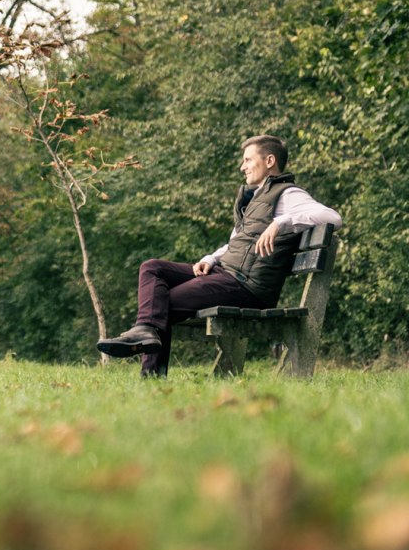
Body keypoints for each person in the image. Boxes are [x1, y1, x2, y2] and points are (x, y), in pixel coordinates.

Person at [97, 134, 342, 377]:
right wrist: (210, 259)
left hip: (247, 285)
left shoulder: (287, 194)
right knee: (153, 268)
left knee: (161, 304)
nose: (242, 166)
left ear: (269, 161)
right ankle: (145, 334)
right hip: (227, 273)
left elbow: (332, 217)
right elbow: (235, 243)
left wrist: (281, 223)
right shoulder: (255, 198)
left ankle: (151, 376)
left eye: (247, 160)